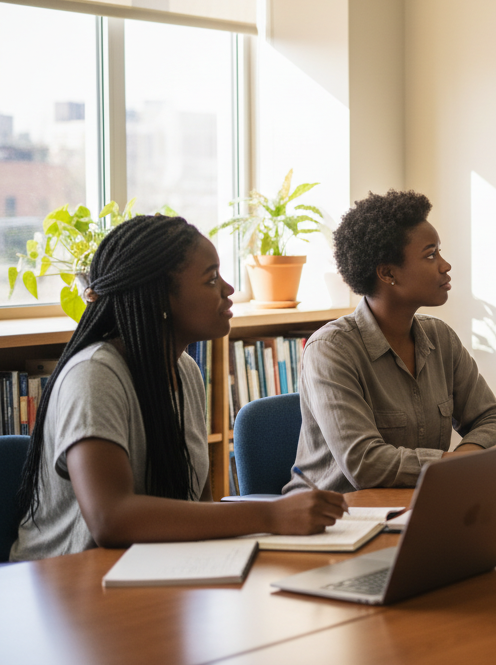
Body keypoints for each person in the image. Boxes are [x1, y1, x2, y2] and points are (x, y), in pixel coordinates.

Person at [10, 216, 346, 561]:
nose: (229, 289)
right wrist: (271, 515)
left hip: (154, 568)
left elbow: (197, 508)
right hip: (70, 577)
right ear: (160, 300)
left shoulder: (185, 370)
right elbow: (111, 519)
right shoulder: (94, 374)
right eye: (211, 279)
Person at [284, 190, 496, 494]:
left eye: (439, 252)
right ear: (387, 273)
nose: (445, 265)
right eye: (431, 255)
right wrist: (466, 463)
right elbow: (366, 464)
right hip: (337, 513)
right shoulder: (330, 349)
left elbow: (493, 419)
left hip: (417, 502)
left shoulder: (440, 338)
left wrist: (459, 464)